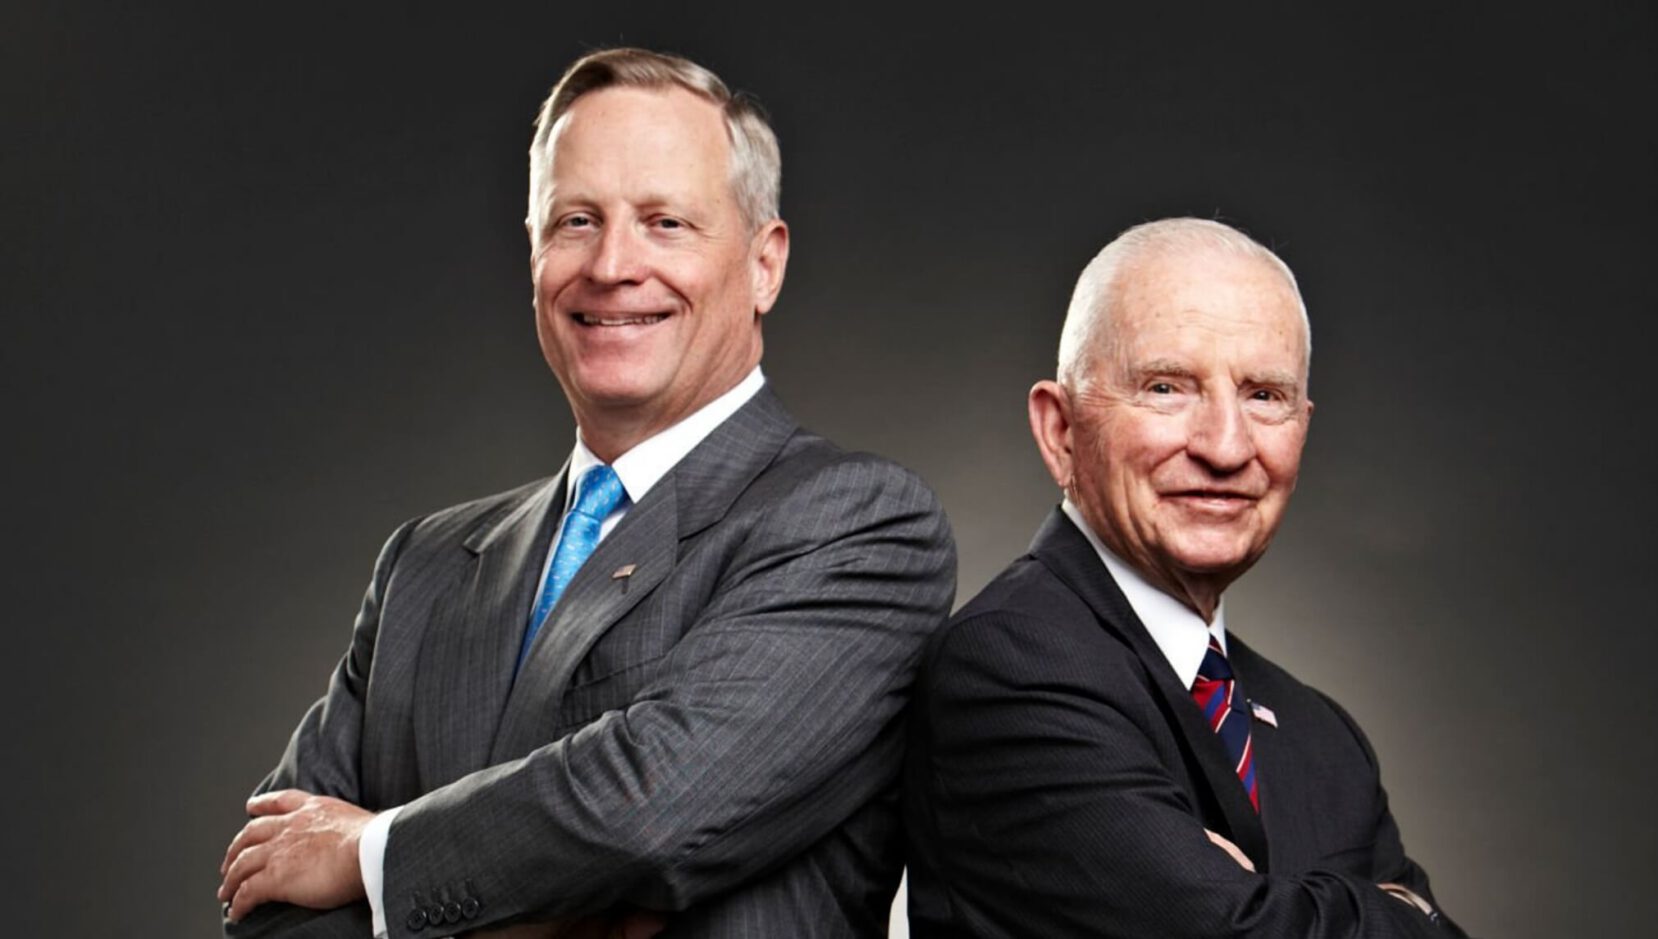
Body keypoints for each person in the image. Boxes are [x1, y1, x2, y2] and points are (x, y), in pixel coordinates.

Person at [216, 47, 956, 939]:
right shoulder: (423, 565)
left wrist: (374, 857)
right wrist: (567, 902)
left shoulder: (857, 525)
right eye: (575, 220)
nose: (612, 265)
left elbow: (654, 809)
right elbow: (268, 889)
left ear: (765, 263)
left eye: (665, 222)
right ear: (532, 250)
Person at [902, 218, 1466, 937]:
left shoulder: (1323, 736)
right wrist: (1400, 912)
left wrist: (1262, 899)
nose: (1226, 446)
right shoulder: (1007, 664)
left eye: (1264, 395)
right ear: (1061, 430)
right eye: (1167, 387)